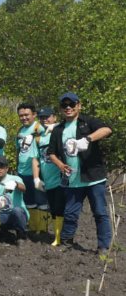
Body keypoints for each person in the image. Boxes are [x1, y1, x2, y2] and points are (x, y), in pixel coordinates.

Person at [47, 92, 113, 254]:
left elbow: (107, 130)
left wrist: (87, 139)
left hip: (93, 178)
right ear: (61, 109)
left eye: (72, 104)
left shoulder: (88, 122)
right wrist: (61, 165)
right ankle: (67, 241)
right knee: (70, 213)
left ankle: (103, 246)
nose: (68, 108)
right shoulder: (58, 129)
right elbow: (51, 153)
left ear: (79, 105)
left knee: (99, 212)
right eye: (64, 105)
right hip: (72, 180)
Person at [32, 107, 66, 245]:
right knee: (53, 208)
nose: (44, 120)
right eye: (41, 118)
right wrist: (36, 178)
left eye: (47, 117)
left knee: (60, 208)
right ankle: (57, 235)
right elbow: (35, 159)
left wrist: (58, 127)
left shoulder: (60, 130)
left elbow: (72, 129)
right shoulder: (39, 137)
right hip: (48, 179)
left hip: (61, 177)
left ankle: (60, 237)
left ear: (54, 117)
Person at [15, 103, 48, 234]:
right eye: (21, 115)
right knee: (29, 201)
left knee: (42, 201)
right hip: (22, 172)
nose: (24, 118)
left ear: (34, 115)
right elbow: (19, 151)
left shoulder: (40, 129)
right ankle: (34, 227)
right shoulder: (20, 131)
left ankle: (43, 229)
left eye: (26, 115)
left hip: (37, 172)